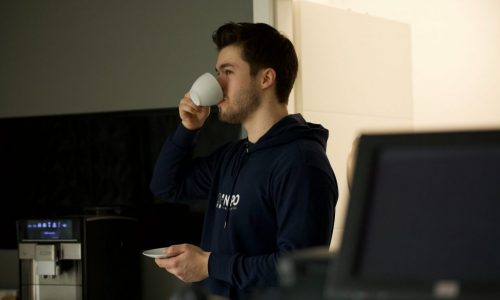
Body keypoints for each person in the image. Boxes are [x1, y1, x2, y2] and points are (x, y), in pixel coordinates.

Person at [150, 22, 338, 300]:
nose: (218, 84)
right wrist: (188, 128)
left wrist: (208, 265)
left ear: (266, 79)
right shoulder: (233, 156)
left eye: (228, 72)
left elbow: (299, 271)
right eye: (217, 73)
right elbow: (167, 186)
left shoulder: (302, 164)